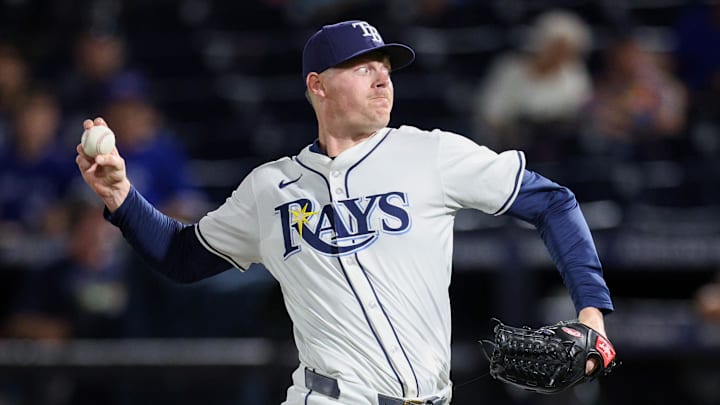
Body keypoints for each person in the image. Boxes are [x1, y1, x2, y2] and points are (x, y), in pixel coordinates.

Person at [75, 20, 614, 405]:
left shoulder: (430, 153)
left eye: (386, 67)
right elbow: (182, 255)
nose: (383, 79)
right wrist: (121, 197)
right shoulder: (271, 188)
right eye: (363, 68)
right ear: (318, 85)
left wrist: (592, 315)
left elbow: (553, 202)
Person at [473, 10, 592, 161]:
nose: (560, 54)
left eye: (567, 49)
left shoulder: (575, 74)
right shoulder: (510, 69)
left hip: (557, 148)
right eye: (556, 47)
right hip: (511, 146)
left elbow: (579, 110)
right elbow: (491, 113)